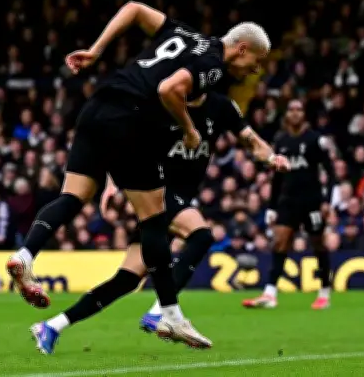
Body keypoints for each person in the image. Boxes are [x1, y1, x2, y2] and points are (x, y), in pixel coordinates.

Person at [6, 1, 270, 347]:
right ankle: (170, 315)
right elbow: (168, 89)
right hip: (129, 120)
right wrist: (189, 129)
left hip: (97, 107)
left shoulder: (184, 32)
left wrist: (97, 51)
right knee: (154, 220)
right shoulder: (213, 65)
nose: (255, 70)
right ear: (241, 48)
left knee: (72, 197)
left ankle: (25, 256)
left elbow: (133, 9)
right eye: (257, 62)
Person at [29, 92, 289, 354]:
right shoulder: (163, 104)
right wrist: (110, 183)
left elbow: (250, 139)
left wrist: (271, 158)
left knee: (126, 280)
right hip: (157, 191)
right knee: (201, 236)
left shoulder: (220, 106)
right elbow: (125, 145)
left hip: (172, 200)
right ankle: (161, 312)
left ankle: (52, 326)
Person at [242, 99, 336, 310]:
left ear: (304, 114)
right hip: (288, 200)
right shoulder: (281, 140)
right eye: (291, 109)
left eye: (298, 109)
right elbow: (276, 177)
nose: (294, 113)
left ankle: (324, 292)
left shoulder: (315, 140)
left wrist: (327, 201)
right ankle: (270, 294)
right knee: (280, 242)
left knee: (318, 244)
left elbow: (330, 173)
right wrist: (272, 206)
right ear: (286, 114)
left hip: (311, 201)